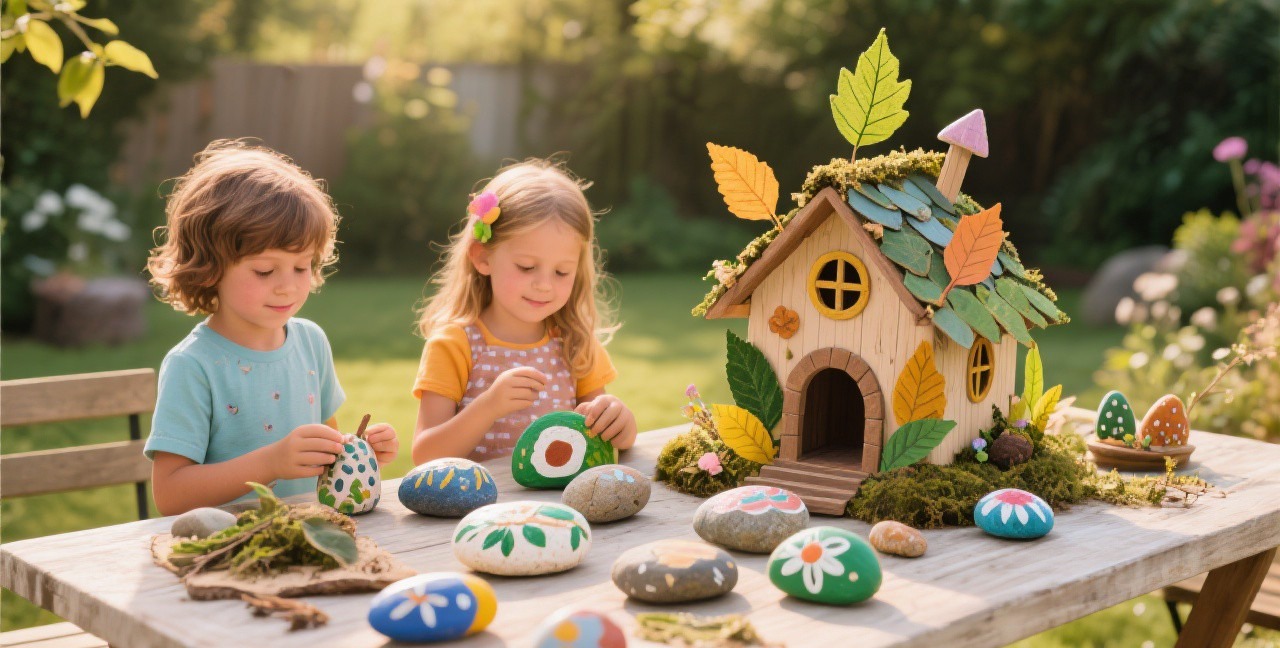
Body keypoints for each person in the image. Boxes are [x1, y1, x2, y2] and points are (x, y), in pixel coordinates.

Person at [144, 139, 398, 515]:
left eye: (302, 267)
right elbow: (170, 495)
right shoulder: (193, 365)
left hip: (307, 536)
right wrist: (270, 464)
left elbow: (323, 451)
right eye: (265, 270)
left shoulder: (311, 341)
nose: (288, 285)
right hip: (229, 549)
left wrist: (356, 453)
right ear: (211, 267)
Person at [412, 160, 637, 464]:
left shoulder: (576, 343)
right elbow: (425, 456)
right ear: (483, 257)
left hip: (561, 507)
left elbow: (611, 440)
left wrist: (620, 425)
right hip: (482, 509)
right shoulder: (454, 345)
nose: (544, 285)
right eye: (527, 267)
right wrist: (488, 406)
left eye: (561, 272)